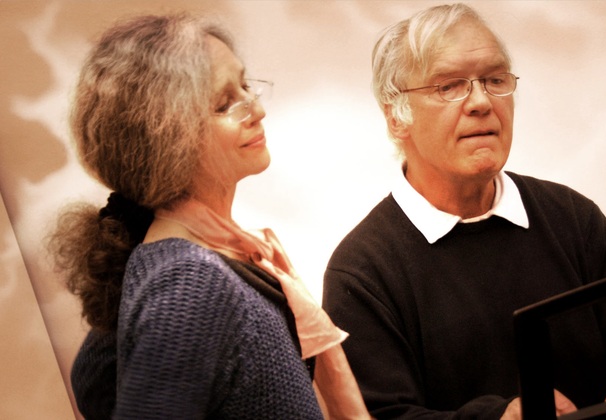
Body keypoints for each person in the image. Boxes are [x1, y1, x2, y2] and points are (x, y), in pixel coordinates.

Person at [48, 13, 368, 419]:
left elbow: (93, 376)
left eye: (246, 86)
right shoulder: (190, 282)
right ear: (167, 138)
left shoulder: (193, 259)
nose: (256, 109)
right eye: (224, 104)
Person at [322, 3, 606, 419]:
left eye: (495, 80)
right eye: (449, 86)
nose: (481, 102)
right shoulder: (363, 273)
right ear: (395, 115)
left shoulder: (574, 219)